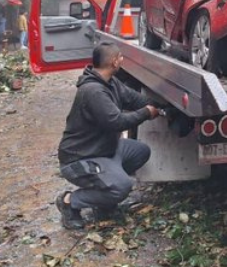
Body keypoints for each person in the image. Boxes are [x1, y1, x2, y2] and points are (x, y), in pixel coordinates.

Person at [56, 42, 161, 229]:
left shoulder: (111, 82)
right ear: (114, 62)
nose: (122, 59)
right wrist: (146, 113)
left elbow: (135, 99)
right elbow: (117, 122)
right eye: (120, 57)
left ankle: (103, 201)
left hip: (103, 150)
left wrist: (162, 106)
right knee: (122, 186)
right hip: (79, 158)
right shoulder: (93, 91)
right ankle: (69, 202)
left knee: (140, 151)